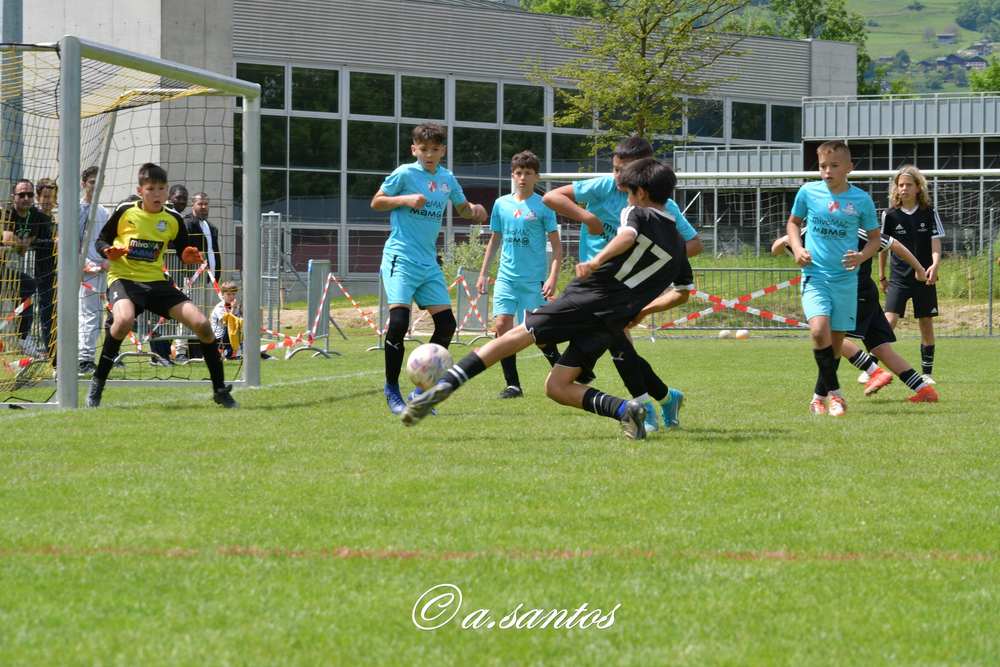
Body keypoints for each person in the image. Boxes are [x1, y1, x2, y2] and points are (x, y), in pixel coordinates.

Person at [403, 158, 693, 440]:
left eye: (628, 193)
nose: (626, 199)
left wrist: (597, 260)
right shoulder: (679, 246)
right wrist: (643, 312)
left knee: (511, 337)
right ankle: (625, 410)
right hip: (612, 321)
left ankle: (443, 387)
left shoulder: (636, 213)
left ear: (641, 193)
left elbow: (627, 236)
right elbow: (682, 292)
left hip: (588, 297)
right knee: (556, 386)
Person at [543, 136, 703, 432]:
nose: (618, 177)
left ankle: (646, 408)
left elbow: (693, 243)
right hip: (594, 284)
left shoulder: (660, 206)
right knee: (620, 347)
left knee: (619, 346)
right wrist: (588, 217)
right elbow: (551, 197)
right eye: (615, 169)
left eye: (624, 171)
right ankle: (665, 398)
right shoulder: (604, 186)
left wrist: (660, 257)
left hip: (625, 290)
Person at [85, 162, 237, 408]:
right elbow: (101, 240)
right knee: (123, 321)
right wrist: (107, 251)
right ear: (140, 191)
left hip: (157, 283)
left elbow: (183, 251)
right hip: (125, 280)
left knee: (202, 324)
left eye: (161, 189)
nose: (157, 194)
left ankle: (220, 390)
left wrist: (188, 255)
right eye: (151, 189)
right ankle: (97, 383)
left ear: (167, 190)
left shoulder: (173, 218)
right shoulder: (125, 211)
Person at [370, 122, 488, 415]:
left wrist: (475, 211)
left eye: (435, 149)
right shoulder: (404, 174)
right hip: (401, 257)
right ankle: (392, 390)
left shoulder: (447, 179)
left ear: (443, 150)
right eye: (424, 149)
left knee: (447, 325)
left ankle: (421, 391)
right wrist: (405, 199)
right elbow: (377, 202)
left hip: (428, 261)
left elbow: (462, 208)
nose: (429, 154)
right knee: (399, 323)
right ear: (414, 150)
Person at [772, 225, 940, 404]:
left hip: (853, 296)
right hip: (865, 294)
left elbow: (893, 243)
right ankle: (924, 390)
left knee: (832, 341)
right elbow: (776, 248)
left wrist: (919, 269)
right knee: (881, 348)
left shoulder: (851, 230)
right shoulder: (814, 230)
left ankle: (870, 374)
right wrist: (786, 240)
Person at [786, 140, 882, 417]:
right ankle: (836, 395)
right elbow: (793, 223)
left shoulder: (861, 200)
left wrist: (861, 256)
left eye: (834, 166)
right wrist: (798, 248)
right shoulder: (808, 192)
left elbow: (875, 240)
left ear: (849, 167)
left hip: (846, 280)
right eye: (822, 166)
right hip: (815, 275)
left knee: (836, 345)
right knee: (819, 332)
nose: (827, 171)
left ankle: (818, 397)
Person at [476, 150, 561, 399]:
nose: (523, 177)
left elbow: (557, 247)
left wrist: (553, 277)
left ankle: (566, 372)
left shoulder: (544, 205)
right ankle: (513, 385)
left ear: (536, 177)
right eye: (518, 173)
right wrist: (483, 273)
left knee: (539, 332)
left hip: (533, 280)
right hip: (506, 278)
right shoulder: (501, 204)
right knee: (502, 326)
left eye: (528, 173)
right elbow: (495, 239)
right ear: (512, 175)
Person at [879, 165, 945, 384]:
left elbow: (935, 244)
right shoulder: (889, 215)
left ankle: (927, 373)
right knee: (888, 321)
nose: (903, 188)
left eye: (908, 184)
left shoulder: (929, 212)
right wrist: (882, 276)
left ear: (918, 188)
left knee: (926, 322)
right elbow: (882, 248)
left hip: (924, 278)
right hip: (899, 278)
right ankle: (872, 368)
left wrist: (935, 266)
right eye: (900, 185)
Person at [1, 179, 53, 358]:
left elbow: (23, 249)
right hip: (3, 269)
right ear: (13, 196)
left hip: (4, 271)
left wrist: (21, 244)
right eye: (21, 194)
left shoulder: (36, 216)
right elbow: (8, 239)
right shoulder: (7, 212)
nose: (26, 198)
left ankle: (23, 339)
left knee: (28, 285)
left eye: (29, 194)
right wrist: (21, 243)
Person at [78, 166, 111, 375]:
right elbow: (72, 240)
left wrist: (107, 259)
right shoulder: (78, 209)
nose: (95, 186)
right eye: (92, 182)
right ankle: (84, 358)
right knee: (86, 314)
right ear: (84, 184)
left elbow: (105, 240)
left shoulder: (104, 211)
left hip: (101, 271)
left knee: (96, 315)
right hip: (83, 271)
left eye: (99, 182)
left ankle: (86, 357)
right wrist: (82, 263)